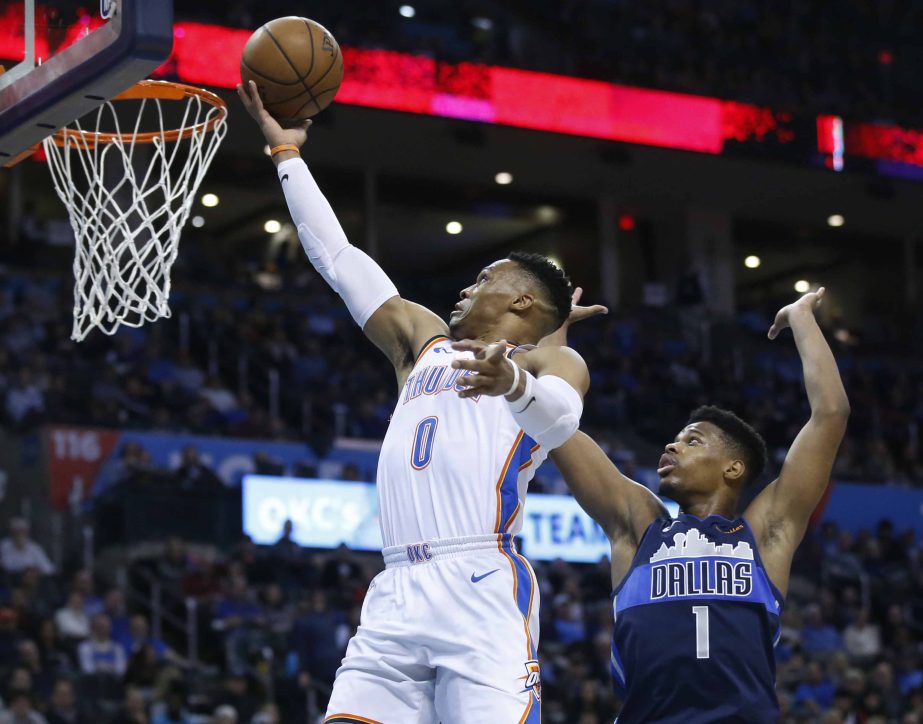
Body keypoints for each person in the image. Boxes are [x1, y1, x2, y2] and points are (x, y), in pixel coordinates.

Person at [238, 79, 595, 722]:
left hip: (480, 581)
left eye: (486, 279)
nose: (467, 286)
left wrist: (511, 384)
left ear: (520, 303)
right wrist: (288, 157)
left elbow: (561, 418)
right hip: (397, 587)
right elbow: (341, 260)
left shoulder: (546, 362)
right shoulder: (422, 344)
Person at [550, 288, 849, 722]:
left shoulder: (764, 534)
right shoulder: (639, 524)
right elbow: (557, 423)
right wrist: (553, 334)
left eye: (693, 440)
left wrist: (802, 318)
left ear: (733, 468)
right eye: (677, 438)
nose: (673, 444)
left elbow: (831, 414)